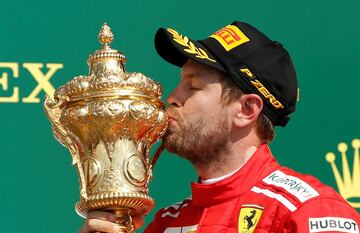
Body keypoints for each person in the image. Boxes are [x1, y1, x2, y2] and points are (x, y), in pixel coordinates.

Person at [79, 21, 360, 233]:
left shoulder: (307, 212)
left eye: (193, 85)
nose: (173, 98)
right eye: (180, 83)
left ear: (246, 110)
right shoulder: (167, 224)